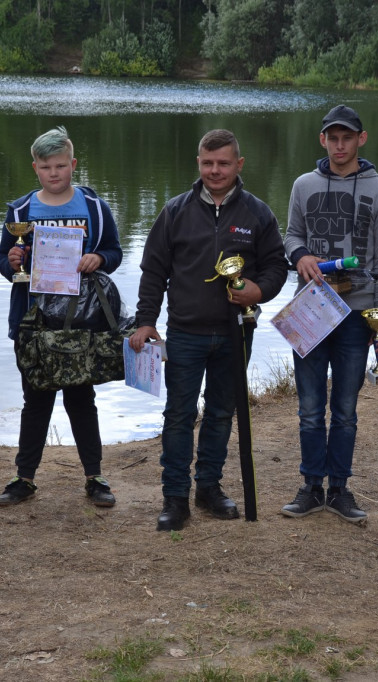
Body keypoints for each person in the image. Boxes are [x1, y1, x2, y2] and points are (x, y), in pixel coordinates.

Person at [130, 129, 288, 531]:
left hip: (236, 332)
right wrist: (146, 320)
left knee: (221, 413)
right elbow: (153, 272)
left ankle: (209, 488)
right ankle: (175, 497)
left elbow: (275, 266)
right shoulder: (175, 211)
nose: (214, 171)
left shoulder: (258, 213)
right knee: (179, 414)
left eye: (223, 163)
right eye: (207, 163)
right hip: (184, 332)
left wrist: (260, 290)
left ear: (239, 164)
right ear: (198, 163)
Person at [280, 105, 378, 524]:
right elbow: (291, 234)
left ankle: (340, 489)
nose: (340, 144)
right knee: (310, 409)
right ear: (323, 140)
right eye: (333, 137)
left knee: (345, 409)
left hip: (356, 313)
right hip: (310, 309)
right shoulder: (303, 185)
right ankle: (311, 486)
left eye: (347, 137)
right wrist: (301, 256)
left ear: (360, 140)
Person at [0, 126, 123, 509]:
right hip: (35, 323)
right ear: (35, 167)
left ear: (73, 165)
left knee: (82, 400)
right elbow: (4, 261)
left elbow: (114, 252)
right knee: (35, 401)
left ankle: (95, 477)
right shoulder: (19, 211)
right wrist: (12, 261)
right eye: (47, 166)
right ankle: (24, 478)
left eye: (61, 166)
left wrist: (99, 259)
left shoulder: (95, 209)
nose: (54, 173)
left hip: (82, 321)